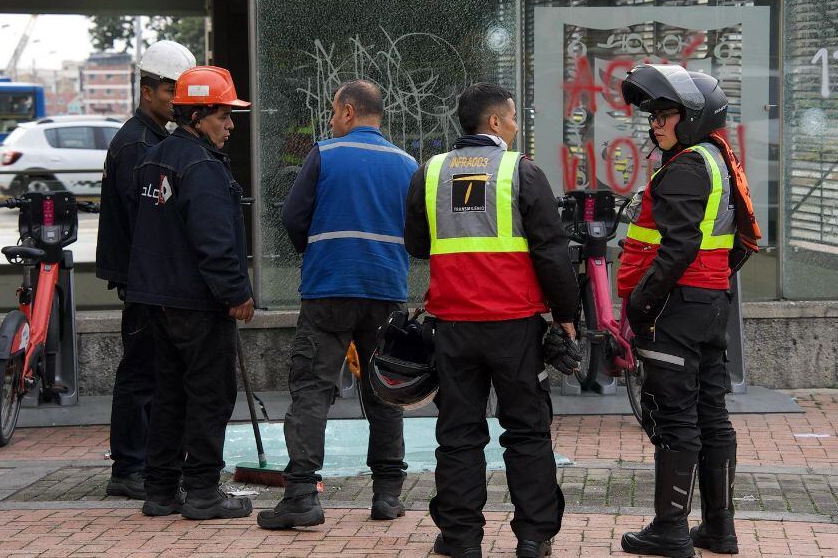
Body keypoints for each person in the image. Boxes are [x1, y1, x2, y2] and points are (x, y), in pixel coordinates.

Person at [404, 82, 579, 558]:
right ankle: (533, 537)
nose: (517, 127)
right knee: (526, 429)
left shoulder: (430, 172)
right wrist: (566, 316)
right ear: (496, 123)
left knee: (458, 432)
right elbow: (552, 251)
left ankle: (460, 539)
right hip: (514, 326)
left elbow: (418, 246)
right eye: (515, 118)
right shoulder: (521, 171)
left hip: (453, 326)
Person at [257, 80, 419, 530]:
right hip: (385, 290)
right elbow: (419, 234)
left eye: (332, 112)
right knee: (384, 390)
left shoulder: (325, 154)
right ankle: (387, 495)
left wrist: (316, 252)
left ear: (348, 112)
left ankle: (303, 496)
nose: (330, 121)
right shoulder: (407, 164)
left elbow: (292, 216)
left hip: (328, 288)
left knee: (311, 389)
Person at [619, 64, 757, 558]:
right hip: (711, 303)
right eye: (653, 114)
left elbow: (676, 249)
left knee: (673, 417)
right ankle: (719, 530)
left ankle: (670, 531)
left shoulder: (683, 168)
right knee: (712, 415)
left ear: (694, 117)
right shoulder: (718, 159)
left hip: (677, 309)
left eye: (665, 113)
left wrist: (641, 305)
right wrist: (712, 289)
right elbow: (737, 241)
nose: (654, 123)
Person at [126, 65, 256, 520]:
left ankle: (160, 489)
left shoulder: (153, 157)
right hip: (197, 303)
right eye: (224, 115)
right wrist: (237, 294)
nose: (231, 125)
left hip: (157, 300)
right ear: (198, 116)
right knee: (210, 394)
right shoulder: (201, 166)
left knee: (170, 395)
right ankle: (202, 490)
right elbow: (215, 242)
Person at [95, 39, 195, 499]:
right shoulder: (137, 143)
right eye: (172, 90)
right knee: (141, 374)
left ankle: (143, 462)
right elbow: (147, 221)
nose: (179, 100)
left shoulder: (152, 138)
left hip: (149, 278)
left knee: (152, 372)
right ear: (147, 90)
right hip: (144, 280)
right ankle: (130, 467)